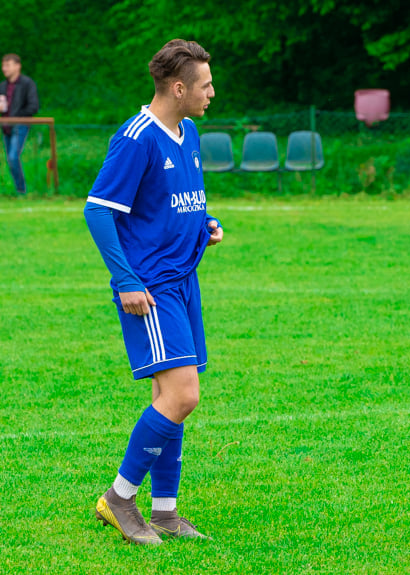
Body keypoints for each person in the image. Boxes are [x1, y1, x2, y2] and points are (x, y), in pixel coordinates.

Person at [84, 39, 221, 545]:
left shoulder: (189, 132)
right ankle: (119, 499)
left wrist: (206, 222)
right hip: (152, 286)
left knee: (170, 397)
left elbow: (176, 201)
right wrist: (126, 281)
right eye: (205, 85)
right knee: (183, 395)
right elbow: (98, 210)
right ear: (179, 87)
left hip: (184, 280)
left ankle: (165, 511)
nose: (212, 93)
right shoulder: (136, 138)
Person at [0, 53, 39, 195]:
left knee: (12, 157)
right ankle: (19, 191)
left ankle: (21, 191)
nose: (4, 68)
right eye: (3, 65)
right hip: (5, 127)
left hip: (20, 125)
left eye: (7, 65)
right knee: (10, 160)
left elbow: (34, 106)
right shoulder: (2, 86)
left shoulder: (28, 84)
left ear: (18, 66)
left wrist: (16, 116)